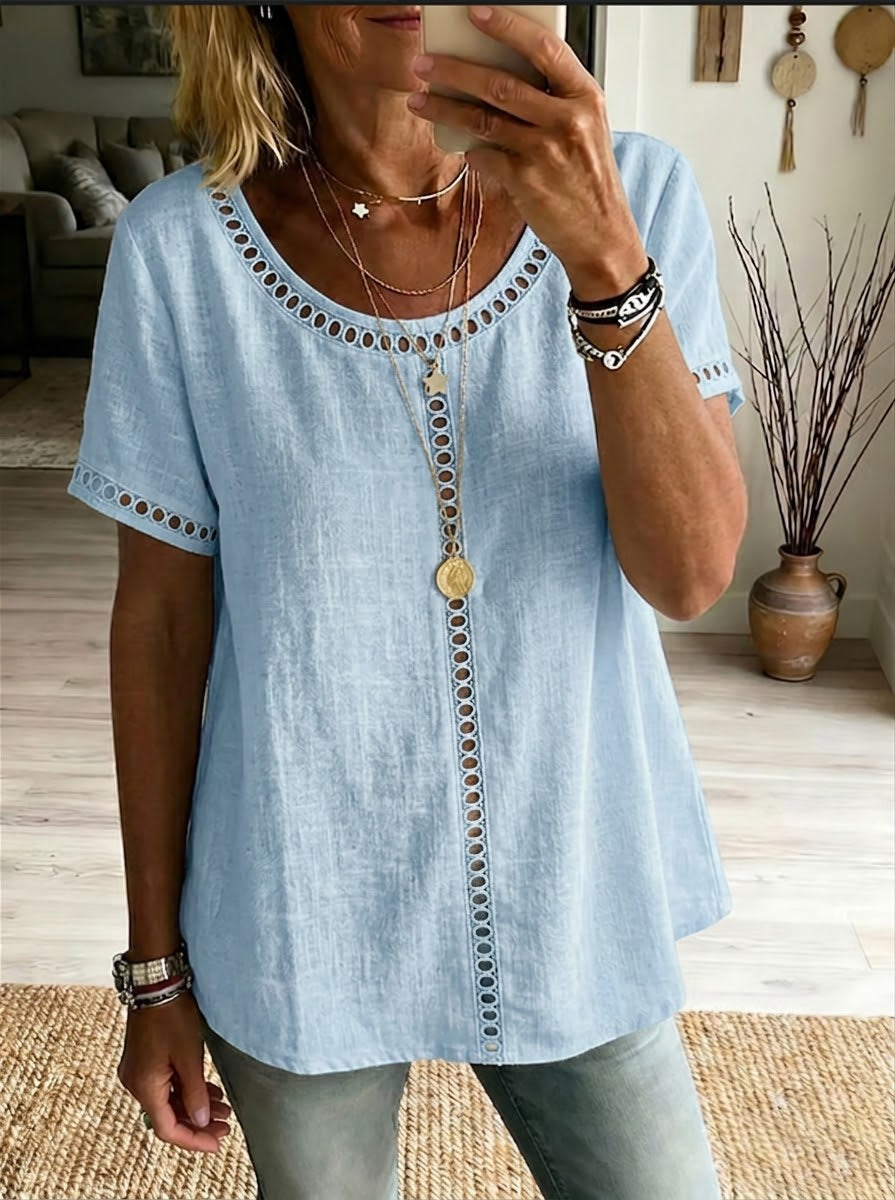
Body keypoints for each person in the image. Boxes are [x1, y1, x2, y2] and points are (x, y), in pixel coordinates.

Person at [68, 5, 749, 1198]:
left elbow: (689, 575)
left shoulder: (633, 193)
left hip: (571, 882)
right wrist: (155, 972)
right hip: (297, 903)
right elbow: (161, 628)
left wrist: (603, 262)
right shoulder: (180, 252)